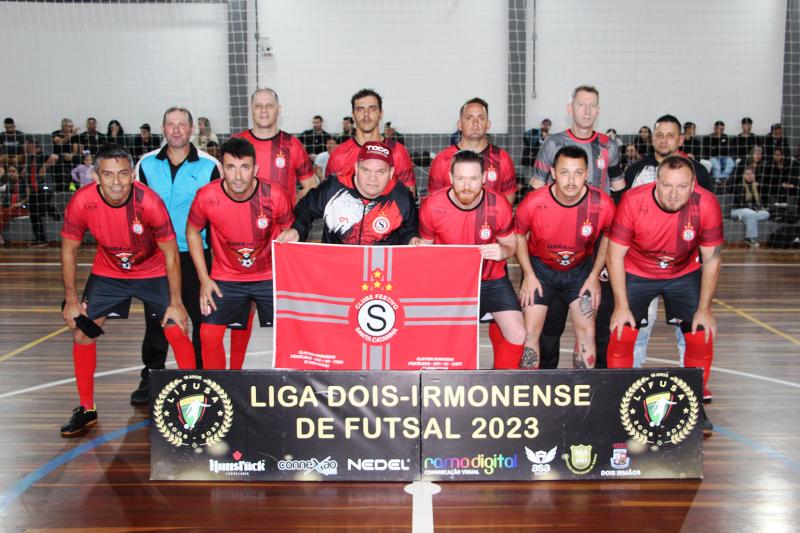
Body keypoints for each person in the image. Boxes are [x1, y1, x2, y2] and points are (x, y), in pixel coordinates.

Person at [59, 144, 196, 437]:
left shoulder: (149, 202)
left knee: (176, 327)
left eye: (123, 174)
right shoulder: (82, 202)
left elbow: (171, 254)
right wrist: (71, 300)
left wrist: (176, 302)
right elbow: (68, 251)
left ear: (133, 174)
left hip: (153, 270)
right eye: (108, 175)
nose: (117, 182)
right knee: (82, 331)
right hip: (109, 272)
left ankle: (194, 404)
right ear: (96, 177)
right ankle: (87, 408)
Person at [607, 155, 723, 433]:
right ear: (656, 182)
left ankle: (696, 403)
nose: (673, 194)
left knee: (701, 332)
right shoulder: (633, 202)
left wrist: (705, 309)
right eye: (667, 185)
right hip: (637, 270)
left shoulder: (706, 204)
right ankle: (616, 402)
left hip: (682, 273)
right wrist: (621, 306)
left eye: (682, 187)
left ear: (693, 184)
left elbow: (712, 259)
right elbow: (615, 255)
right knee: (622, 331)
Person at [529, 85, 623, 369]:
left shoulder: (610, 146)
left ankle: (593, 385)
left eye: (592, 105)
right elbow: (536, 191)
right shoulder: (553, 144)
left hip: (596, 245)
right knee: (551, 321)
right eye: (581, 105)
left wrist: (614, 233)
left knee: (597, 315)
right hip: (558, 246)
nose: (587, 110)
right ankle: (545, 382)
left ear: (599, 109)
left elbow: (618, 190)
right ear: (570, 108)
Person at [132, 106, 221, 404]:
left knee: (199, 318)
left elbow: (217, 212)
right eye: (171, 124)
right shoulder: (146, 164)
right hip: (157, 257)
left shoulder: (209, 165)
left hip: (195, 255)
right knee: (156, 319)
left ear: (192, 129)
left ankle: (196, 375)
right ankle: (152, 373)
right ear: (163, 128)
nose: (176, 130)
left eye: (182, 124)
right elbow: (135, 208)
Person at [186, 137, 295, 370]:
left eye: (244, 167)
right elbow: (192, 232)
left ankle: (290, 391)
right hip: (227, 277)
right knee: (208, 335)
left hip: (269, 275)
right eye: (230, 168)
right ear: (221, 169)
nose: (237, 176)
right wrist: (204, 280)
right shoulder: (206, 196)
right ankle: (218, 387)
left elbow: (291, 234)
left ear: (255, 169)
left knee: (295, 331)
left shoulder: (274, 195)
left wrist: (288, 280)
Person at [416, 149, 525, 369]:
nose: (467, 186)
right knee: (443, 340)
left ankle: (499, 386)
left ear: (484, 178)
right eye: (461, 178)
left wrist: (503, 252)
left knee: (518, 333)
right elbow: (426, 248)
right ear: (450, 178)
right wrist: (417, 247)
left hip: (491, 278)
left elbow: (512, 244)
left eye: (474, 179)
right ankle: (444, 386)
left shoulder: (498, 205)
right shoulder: (432, 206)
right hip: (449, 283)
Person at [622, 115, 713, 374]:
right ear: (652, 138)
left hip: (684, 265)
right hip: (641, 264)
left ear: (680, 139)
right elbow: (623, 217)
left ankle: (693, 381)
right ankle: (633, 375)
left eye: (670, 135)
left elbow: (706, 216)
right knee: (639, 324)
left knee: (690, 327)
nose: (664, 140)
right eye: (659, 135)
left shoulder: (699, 172)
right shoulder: (636, 171)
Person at [515, 146, 615, 370]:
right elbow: (519, 236)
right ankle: (530, 391)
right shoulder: (533, 202)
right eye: (564, 172)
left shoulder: (602, 204)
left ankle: (584, 393)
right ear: (552, 172)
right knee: (530, 331)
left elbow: (608, 237)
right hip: (541, 271)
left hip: (580, 272)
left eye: (578, 173)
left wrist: (594, 276)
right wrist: (529, 275)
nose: (571, 180)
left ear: (587, 174)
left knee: (587, 332)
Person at [285, 141, 418, 245]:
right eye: (366, 170)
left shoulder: (402, 197)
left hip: (377, 272)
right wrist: (297, 230)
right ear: (356, 168)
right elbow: (306, 209)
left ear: (391, 173)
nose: (373, 178)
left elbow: (409, 229)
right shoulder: (334, 188)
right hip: (335, 267)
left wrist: (412, 239)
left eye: (381, 172)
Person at [326, 89, 416, 196]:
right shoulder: (339, 154)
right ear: (353, 115)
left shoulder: (398, 152)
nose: (366, 115)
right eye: (360, 109)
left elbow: (409, 196)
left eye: (372, 109)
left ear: (381, 114)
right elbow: (328, 198)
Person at [234, 87, 316, 205]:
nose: (264, 110)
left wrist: (291, 207)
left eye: (270, 106)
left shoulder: (292, 144)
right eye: (258, 106)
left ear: (279, 109)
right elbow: (225, 185)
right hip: (243, 220)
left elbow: (311, 185)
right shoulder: (236, 142)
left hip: (283, 223)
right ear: (250, 109)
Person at [427, 98, 517, 204]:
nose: (475, 123)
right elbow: (432, 203)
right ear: (459, 125)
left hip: (488, 221)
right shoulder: (442, 159)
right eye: (469, 118)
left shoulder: (503, 159)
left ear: (488, 125)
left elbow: (507, 204)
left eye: (481, 118)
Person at [22, 138, 60, 247]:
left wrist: (44, 166)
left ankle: (52, 210)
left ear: (33, 145)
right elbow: (29, 174)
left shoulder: (42, 154)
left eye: (27, 144)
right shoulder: (29, 158)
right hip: (34, 189)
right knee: (34, 214)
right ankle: (40, 239)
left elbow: (55, 157)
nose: (24, 147)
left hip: (45, 186)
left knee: (41, 206)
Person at [731, 167, 770, 247]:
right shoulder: (740, 186)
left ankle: (742, 217)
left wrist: (759, 207)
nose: (749, 176)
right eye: (747, 174)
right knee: (750, 214)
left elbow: (759, 202)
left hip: (750, 212)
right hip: (737, 210)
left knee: (766, 214)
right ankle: (750, 238)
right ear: (744, 176)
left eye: (751, 174)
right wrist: (752, 208)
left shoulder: (755, 187)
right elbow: (740, 203)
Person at [0, 164, 28, 247]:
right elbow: (5, 198)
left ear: (18, 173)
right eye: (9, 171)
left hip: (22, 207)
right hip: (10, 207)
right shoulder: (8, 184)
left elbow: (29, 196)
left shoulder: (24, 182)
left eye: (13, 171)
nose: (11, 173)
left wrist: (20, 203)